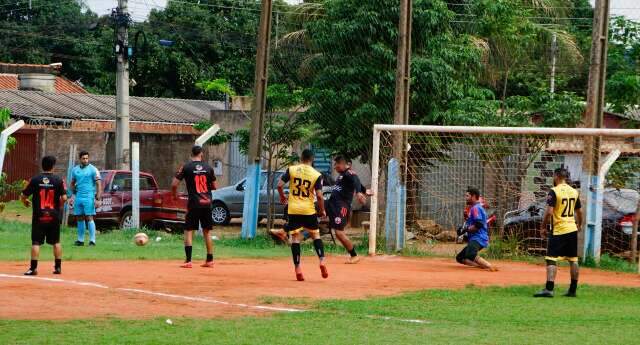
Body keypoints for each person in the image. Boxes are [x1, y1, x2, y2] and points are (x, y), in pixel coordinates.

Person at [277, 149, 328, 281]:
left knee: (295, 239)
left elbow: (279, 185)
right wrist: (322, 210)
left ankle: (298, 268)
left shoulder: (292, 169)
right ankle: (322, 260)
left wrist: (283, 197)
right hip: (308, 210)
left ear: (301, 158)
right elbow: (320, 196)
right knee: (315, 235)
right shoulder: (316, 174)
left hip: (293, 209)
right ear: (312, 159)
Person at [534, 168, 583, 298]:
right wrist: (580, 224)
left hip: (559, 229)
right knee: (573, 259)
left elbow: (549, 212)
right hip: (572, 229)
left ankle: (549, 289)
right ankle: (572, 290)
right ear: (566, 177)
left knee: (551, 259)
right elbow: (579, 212)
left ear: (556, 176)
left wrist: (543, 226)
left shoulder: (554, 191)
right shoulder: (574, 191)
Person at [172, 145, 217, 268]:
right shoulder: (208, 168)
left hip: (194, 203)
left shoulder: (186, 167)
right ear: (201, 154)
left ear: (191, 154)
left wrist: (174, 195)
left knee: (188, 230)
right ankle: (210, 260)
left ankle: (188, 261)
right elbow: (214, 186)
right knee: (207, 231)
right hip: (207, 202)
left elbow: (174, 184)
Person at [20, 156, 67, 275]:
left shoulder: (35, 179)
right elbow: (64, 198)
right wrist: (58, 206)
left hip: (39, 216)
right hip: (53, 216)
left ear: (42, 165)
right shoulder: (58, 180)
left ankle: (33, 268)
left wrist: (25, 202)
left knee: (36, 242)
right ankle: (58, 267)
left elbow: (23, 195)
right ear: (53, 166)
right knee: (56, 241)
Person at [327, 156, 367, 264]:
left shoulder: (349, 172)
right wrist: (365, 191)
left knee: (339, 233)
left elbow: (356, 180)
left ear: (346, 165)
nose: (335, 166)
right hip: (332, 204)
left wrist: (359, 192)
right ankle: (291, 233)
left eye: (337, 164)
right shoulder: (342, 176)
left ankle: (354, 255)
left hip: (341, 207)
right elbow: (357, 184)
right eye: (335, 164)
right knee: (313, 215)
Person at [455, 187, 497, 271]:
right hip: (476, 238)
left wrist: (465, 230)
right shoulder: (474, 208)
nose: (465, 198)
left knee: (470, 254)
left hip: (479, 238)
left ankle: (489, 266)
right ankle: (481, 266)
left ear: (473, 196)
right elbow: (473, 223)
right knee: (460, 257)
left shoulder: (475, 208)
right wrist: (463, 228)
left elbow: (478, 225)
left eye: (467, 196)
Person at [70, 151, 101, 246]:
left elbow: (98, 184)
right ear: (80, 159)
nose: (85, 160)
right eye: (83, 158)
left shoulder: (93, 169)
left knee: (89, 217)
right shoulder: (75, 170)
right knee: (79, 217)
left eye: (87, 158)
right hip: (79, 196)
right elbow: (72, 182)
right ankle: (80, 240)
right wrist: (72, 194)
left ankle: (92, 240)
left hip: (89, 196)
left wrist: (98, 198)